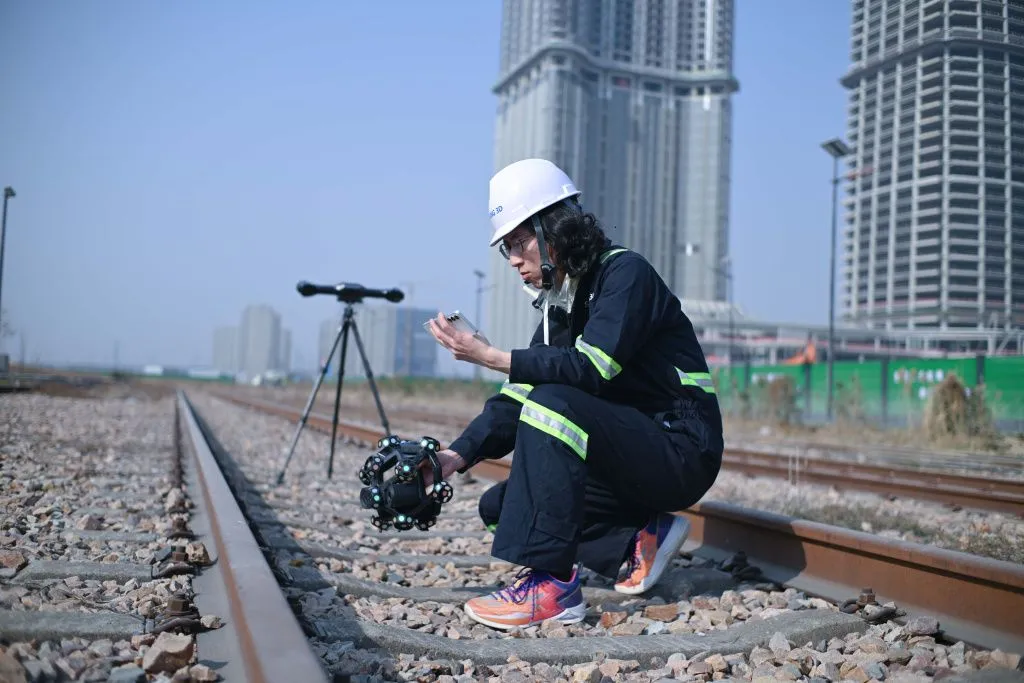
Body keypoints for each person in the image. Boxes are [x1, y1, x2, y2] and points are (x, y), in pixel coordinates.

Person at [425, 158, 724, 631]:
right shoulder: (561, 304)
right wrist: (453, 457)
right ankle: (638, 536)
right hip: (625, 456)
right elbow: (515, 398)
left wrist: (493, 356)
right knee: (500, 508)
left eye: (519, 242)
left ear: (555, 230)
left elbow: (592, 368)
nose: (513, 260)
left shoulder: (625, 275)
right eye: (506, 249)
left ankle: (552, 589)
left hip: (679, 448)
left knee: (553, 405)